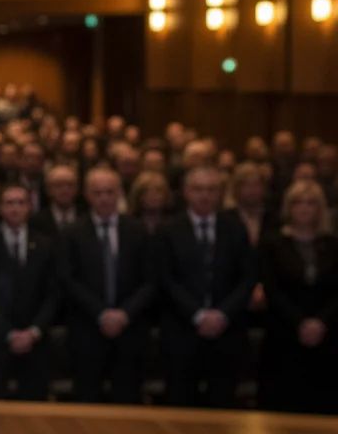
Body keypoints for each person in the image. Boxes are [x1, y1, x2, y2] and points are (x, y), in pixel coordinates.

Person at [157, 166, 257, 408]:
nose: (204, 195)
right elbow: (164, 279)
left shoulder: (235, 228)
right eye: (198, 189)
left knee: (223, 403)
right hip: (182, 331)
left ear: (220, 193)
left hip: (227, 331)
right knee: (180, 403)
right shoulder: (168, 229)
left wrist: (221, 314)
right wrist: (198, 315)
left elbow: (248, 278)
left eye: (211, 190)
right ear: (185, 192)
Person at [58, 167, 155, 403]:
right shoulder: (72, 232)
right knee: (87, 398)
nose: (104, 198)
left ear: (119, 194)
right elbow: (68, 279)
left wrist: (124, 314)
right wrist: (101, 314)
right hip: (87, 329)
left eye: (109, 192)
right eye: (97, 192)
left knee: (128, 398)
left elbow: (150, 279)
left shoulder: (138, 230)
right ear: (87, 195)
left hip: (130, 329)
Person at [259, 181, 338, 414]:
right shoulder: (272, 243)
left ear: (320, 208)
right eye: (298, 203)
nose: (304, 208)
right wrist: (300, 322)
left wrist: (320, 322)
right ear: (289, 207)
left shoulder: (333, 245)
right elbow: (272, 288)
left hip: (327, 333)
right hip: (284, 333)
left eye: (311, 203)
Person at [0, 184, 56, 401]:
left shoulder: (45, 244)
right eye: (9, 203)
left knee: (34, 401)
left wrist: (34, 331)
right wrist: (8, 333)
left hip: (36, 339)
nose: (15, 208)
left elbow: (53, 294)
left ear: (29, 207)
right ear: (0, 208)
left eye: (21, 203)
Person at [32, 164, 82, 235]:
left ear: (77, 188)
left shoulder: (86, 217)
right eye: (59, 185)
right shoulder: (36, 222)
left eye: (70, 185)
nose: (65, 190)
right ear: (48, 189)